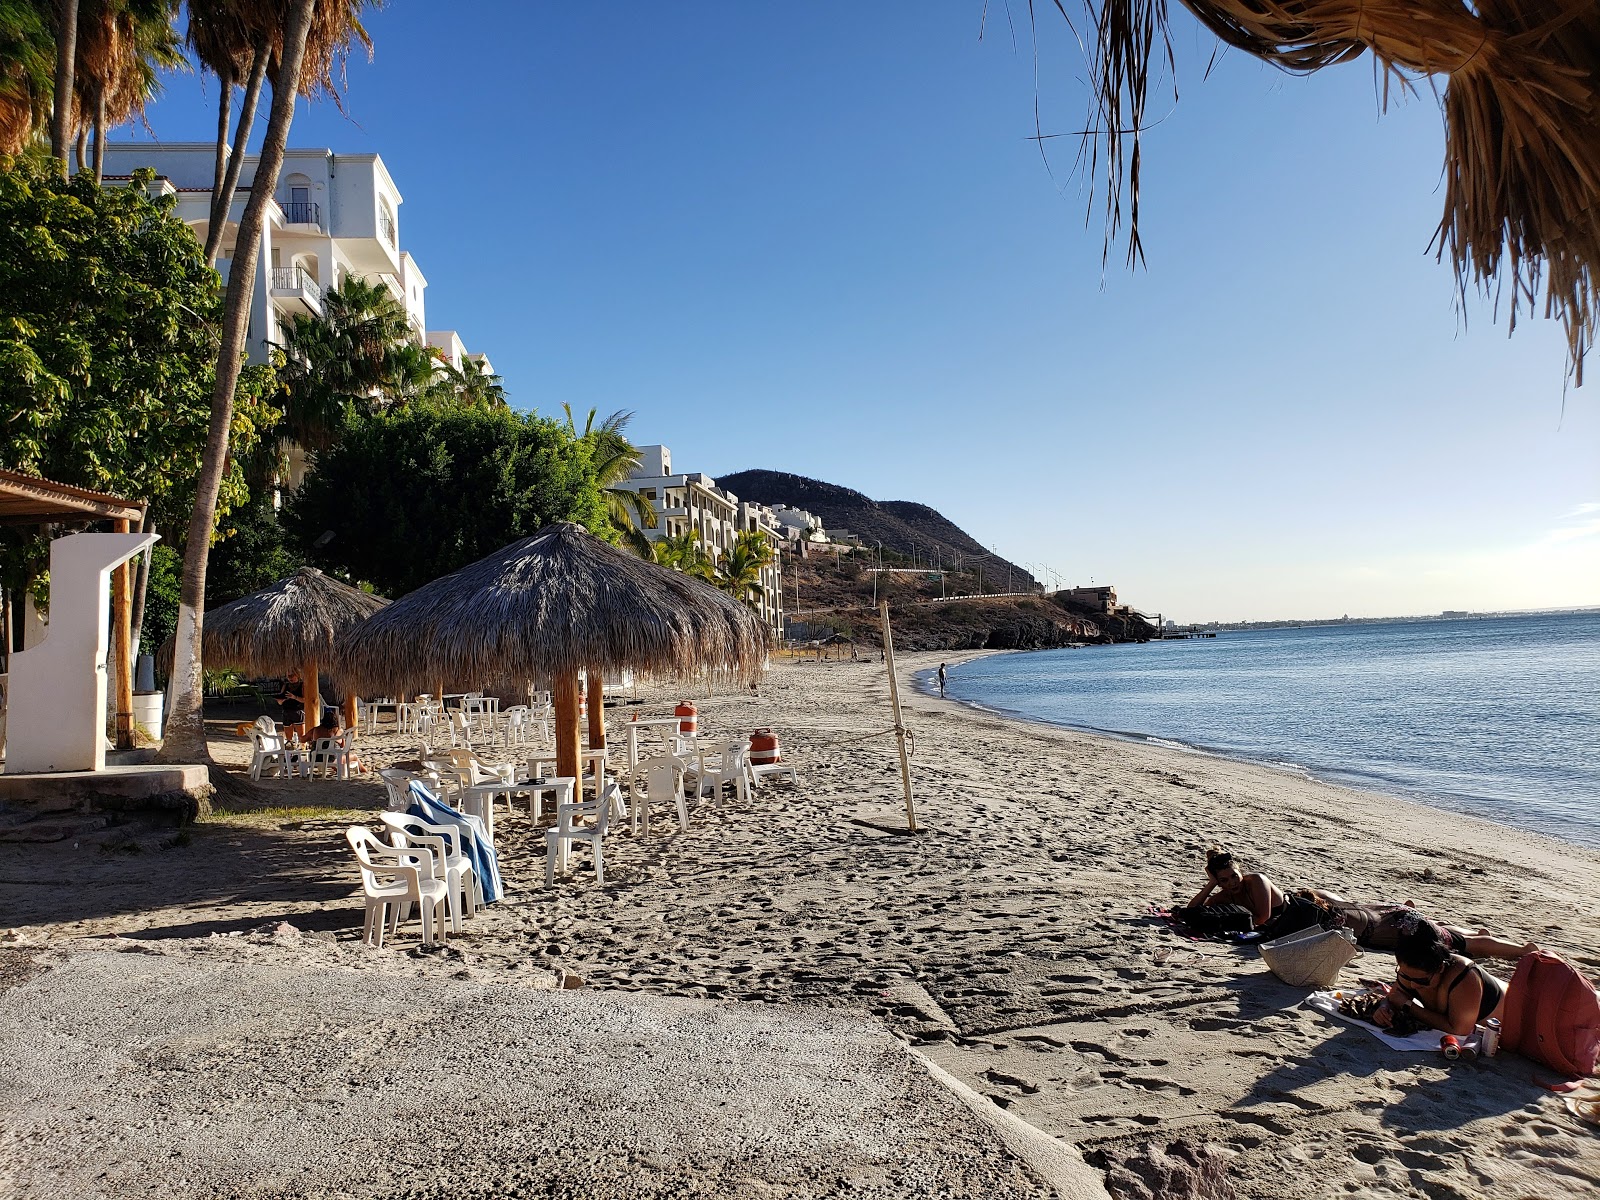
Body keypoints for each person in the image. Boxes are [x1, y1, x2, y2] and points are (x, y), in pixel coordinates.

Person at [1378, 912, 1508, 1037]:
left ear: (1440, 968)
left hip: (1518, 1013)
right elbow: (1395, 996)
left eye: (1422, 981)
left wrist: (1409, 1006)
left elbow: (1458, 1029)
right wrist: (1384, 1008)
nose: (1412, 984)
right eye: (1405, 976)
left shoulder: (1463, 976)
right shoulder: (1412, 969)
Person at [1306, 891, 1536, 961]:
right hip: (1388, 911)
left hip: (1402, 925)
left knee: (1467, 945)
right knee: (1440, 930)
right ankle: (1475, 932)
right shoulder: (1327, 900)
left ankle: (1521, 950)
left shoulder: (1330, 922)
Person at [1176, 846, 1289, 932]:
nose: (1232, 883)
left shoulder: (1257, 880)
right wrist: (1212, 883)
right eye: (1224, 880)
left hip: (1292, 917)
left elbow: (1263, 918)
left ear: (1240, 872)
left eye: (1234, 876)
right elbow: (1191, 910)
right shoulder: (1224, 896)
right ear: (1219, 883)